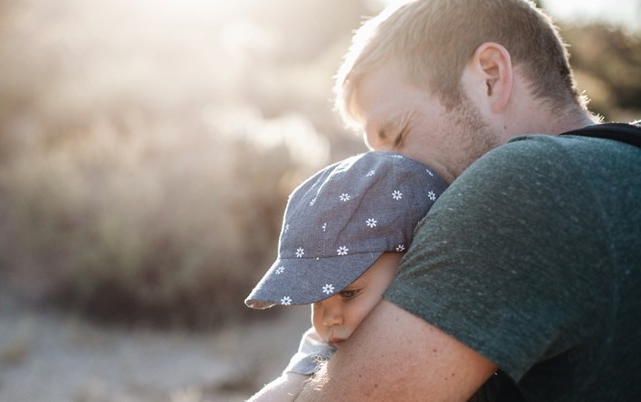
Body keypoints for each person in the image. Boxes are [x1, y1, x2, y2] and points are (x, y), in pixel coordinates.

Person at [292, 0, 641, 401]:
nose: (389, 175)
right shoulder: (621, 163)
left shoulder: (522, 184)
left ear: (490, 75)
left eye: (398, 135)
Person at [243, 151, 447, 401]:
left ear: (413, 264)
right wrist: (290, 383)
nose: (327, 319)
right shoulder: (331, 342)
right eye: (317, 299)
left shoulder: (446, 335)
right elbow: (294, 377)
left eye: (348, 293)